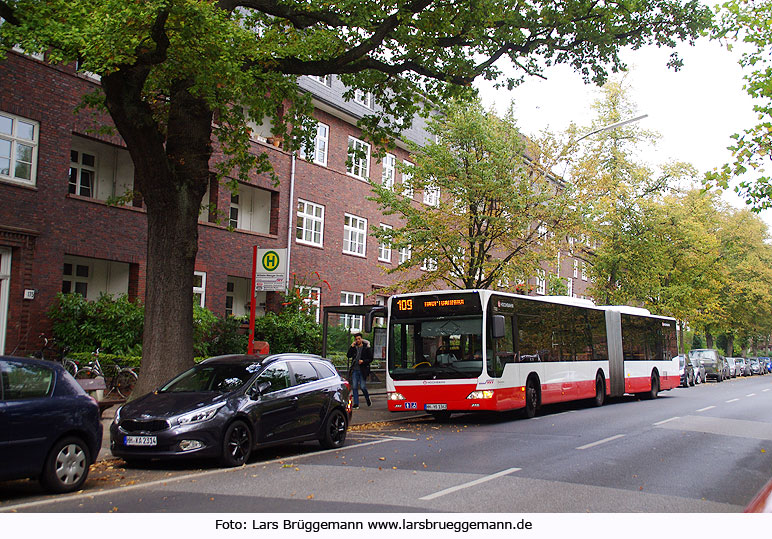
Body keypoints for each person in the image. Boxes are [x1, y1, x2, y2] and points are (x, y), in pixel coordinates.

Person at [346, 332, 373, 409]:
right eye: (356, 339)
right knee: (354, 387)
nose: (357, 340)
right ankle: (356, 404)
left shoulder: (366, 348)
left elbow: (370, 359)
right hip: (355, 369)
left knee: (362, 386)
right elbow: (348, 355)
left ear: (361, 339)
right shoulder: (354, 347)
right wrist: (351, 346)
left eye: (359, 339)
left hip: (363, 370)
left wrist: (363, 361)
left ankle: (367, 398)